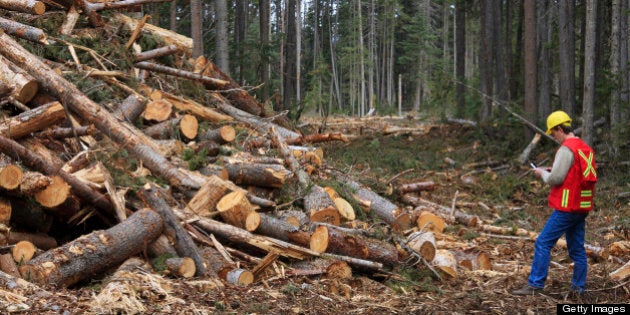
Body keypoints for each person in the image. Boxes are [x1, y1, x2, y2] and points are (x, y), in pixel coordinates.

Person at [512, 110, 597, 296]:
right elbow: (575, 173)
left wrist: (542, 173)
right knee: (577, 249)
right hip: (581, 207)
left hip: (567, 208)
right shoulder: (583, 147)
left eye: (553, 132)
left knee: (543, 242)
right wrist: (552, 168)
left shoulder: (566, 149)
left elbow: (556, 178)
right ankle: (578, 289)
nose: (553, 136)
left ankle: (535, 284)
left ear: (560, 128)